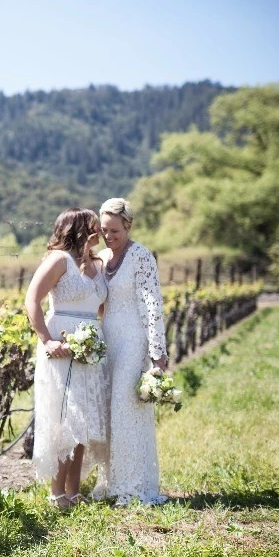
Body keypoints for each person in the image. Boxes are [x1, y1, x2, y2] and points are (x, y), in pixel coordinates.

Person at [25, 208, 110, 508]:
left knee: (83, 419)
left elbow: (100, 308)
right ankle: (56, 492)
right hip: (62, 344)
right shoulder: (58, 260)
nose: (98, 232)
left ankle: (74, 491)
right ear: (77, 229)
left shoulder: (98, 264)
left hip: (91, 348)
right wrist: (47, 340)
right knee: (65, 417)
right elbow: (31, 299)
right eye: (93, 227)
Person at [92, 197, 168, 505]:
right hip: (107, 340)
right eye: (104, 230)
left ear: (128, 226)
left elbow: (153, 304)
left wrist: (157, 351)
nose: (109, 236)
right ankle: (111, 482)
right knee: (108, 410)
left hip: (133, 340)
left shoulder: (141, 256)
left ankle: (132, 485)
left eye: (115, 231)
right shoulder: (100, 257)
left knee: (126, 408)